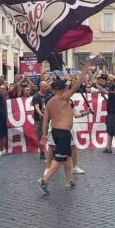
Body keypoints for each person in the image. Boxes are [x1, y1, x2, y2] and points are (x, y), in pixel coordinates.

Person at [36, 63, 90, 195]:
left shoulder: (49, 102)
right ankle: (44, 180)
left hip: (55, 132)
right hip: (63, 132)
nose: (67, 90)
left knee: (66, 156)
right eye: (65, 88)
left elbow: (45, 119)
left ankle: (69, 180)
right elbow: (76, 86)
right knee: (60, 158)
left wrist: (44, 134)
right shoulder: (63, 97)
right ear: (60, 90)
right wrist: (83, 72)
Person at [96, 76, 115, 155]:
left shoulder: (112, 94)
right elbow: (109, 102)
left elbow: (102, 90)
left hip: (112, 116)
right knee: (110, 131)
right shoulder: (113, 95)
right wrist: (104, 97)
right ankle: (108, 147)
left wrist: (96, 84)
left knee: (114, 132)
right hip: (111, 115)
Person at [32, 81, 51, 160]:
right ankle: (42, 152)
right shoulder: (36, 96)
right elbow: (36, 107)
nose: (47, 88)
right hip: (39, 119)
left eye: (47, 86)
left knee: (50, 135)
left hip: (49, 119)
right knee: (40, 136)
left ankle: (52, 151)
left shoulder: (48, 95)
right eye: (45, 87)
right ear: (41, 87)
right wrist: (41, 114)